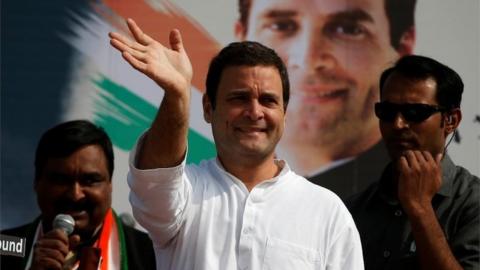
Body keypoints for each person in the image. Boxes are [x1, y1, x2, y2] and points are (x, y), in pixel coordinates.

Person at [109, 18, 363, 270]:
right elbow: (156, 180)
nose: (254, 112)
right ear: (209, 108)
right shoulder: (185, 194)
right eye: (239, 98)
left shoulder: (327, 212)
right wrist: (177, 95)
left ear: (284, 114)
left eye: (267, 100)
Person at [235, 0, 416, 198]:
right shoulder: (210, 191)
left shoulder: (414, 196)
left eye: (348, 29)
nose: (308, 59)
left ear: (402, 49)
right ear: (241, 41)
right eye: (281, 26)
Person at [346, 55, 480, 269]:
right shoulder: (353, 209)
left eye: (415, 112)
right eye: (387, 112)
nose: (398, 124)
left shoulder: (472, 203)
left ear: (451, 120)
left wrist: (420, 209)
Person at [0, 120, 156, 269]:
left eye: (90, 181)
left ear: (110, 185)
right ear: (37, 182)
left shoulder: (150, 256)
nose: (75, 195)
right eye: (61, 180)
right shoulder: (6, 246)